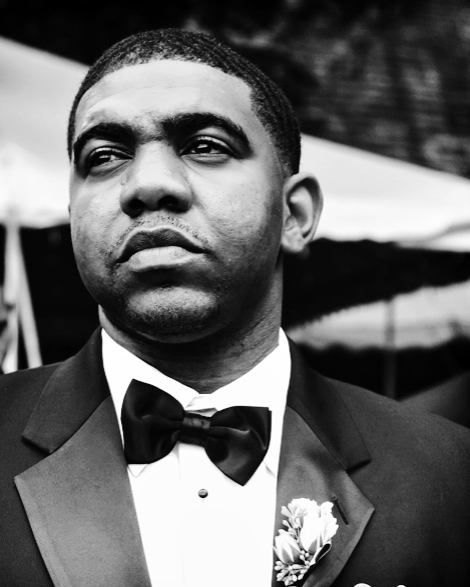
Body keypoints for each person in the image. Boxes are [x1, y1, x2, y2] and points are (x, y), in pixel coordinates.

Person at [0, 29, 469, 587]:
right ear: (72, 208)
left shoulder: (449, 474)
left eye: (205, 145)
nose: (147, 184)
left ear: (294, 215)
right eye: (103, 156)